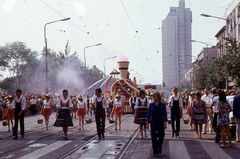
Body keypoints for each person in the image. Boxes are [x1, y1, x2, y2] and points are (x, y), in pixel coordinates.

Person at [146, 92, 167, 157]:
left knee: (161, 135)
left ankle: (159, 146)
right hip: (153, 121)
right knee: (153, 136)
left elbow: (165, 113)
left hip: (160, 120)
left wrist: (165, 122)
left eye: (155, 96)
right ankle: (155, 151)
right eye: (153, 96)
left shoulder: (162, 104)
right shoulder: (151, 104)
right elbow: (149, 113)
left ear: (158, 97)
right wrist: (147, 122)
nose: (154, 97)